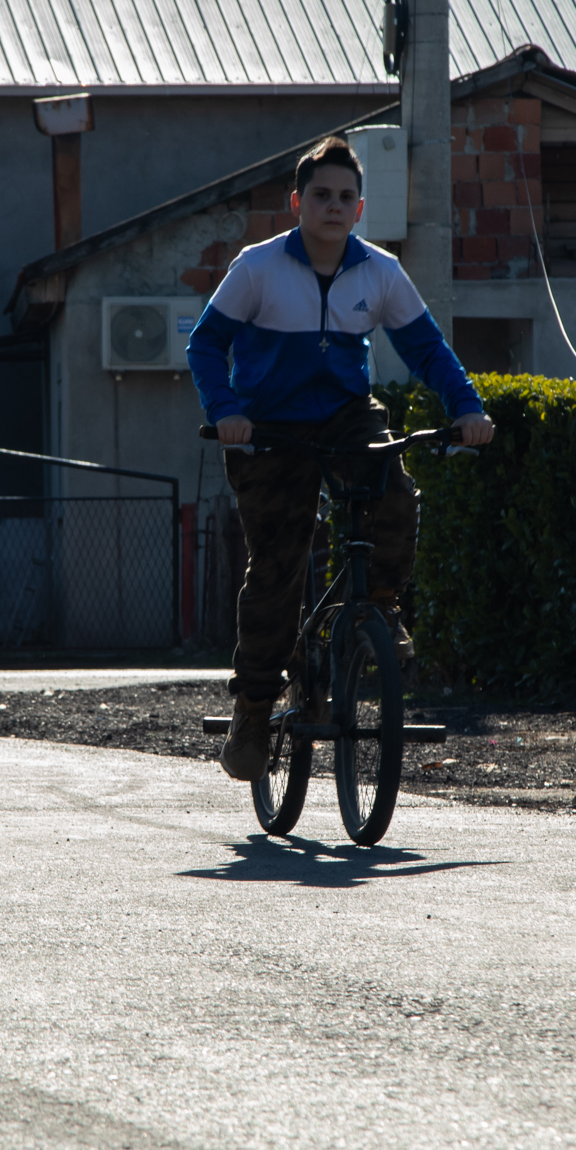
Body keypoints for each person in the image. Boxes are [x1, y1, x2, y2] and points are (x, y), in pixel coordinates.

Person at [186, 135, 494, 780]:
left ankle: (376, 606)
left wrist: (467, 409)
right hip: (268, 425)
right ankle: (252, 711)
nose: (333, 205)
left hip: (346, 417)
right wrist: (226, 413)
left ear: (359, 210)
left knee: (395, 493)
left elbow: (429, 350)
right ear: (298, 203)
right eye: (320, 195)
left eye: (345, 197)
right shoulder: (258, 267)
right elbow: (206, 345)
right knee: (278, 568)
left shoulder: (379, 271)